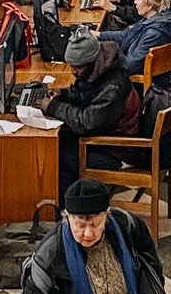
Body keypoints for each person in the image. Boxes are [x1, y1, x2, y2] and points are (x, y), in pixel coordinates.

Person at [17, 177, 165, 294]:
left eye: (95, 224)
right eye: (80, 225)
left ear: (107, 215)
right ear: (67, 218)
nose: (88, 233)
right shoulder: (51, 252)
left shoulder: (129, 227)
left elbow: (152, 270)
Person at [45, 26, 142, 193]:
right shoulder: (100, 70)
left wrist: (54, 106)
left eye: (78, 67)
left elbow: (87, 122)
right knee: (59, 141)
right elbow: (88, 96)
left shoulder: (113, 87)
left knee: (58, 155)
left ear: (92, 62)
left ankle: (66, 208)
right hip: (107, 137)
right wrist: (63, 95)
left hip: (118, 150)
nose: (74, 72)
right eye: (71, 66)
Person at [99, 0, 171, 77]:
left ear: (150, 4)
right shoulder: (156, 19)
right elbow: (126, 35)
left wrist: (107, 62)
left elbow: (131, 65)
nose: (135, 2)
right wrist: (98, 34)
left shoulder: (154, 33)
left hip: (141, 81)